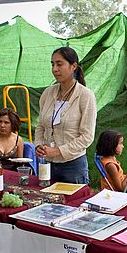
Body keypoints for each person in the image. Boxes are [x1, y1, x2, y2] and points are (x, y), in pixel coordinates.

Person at [35, 47, 97, 184]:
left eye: (59, 64)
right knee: (45, 202)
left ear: (73, 66)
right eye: (52, 64)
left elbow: (87, 136)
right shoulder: (47, 93)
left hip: (73, 166)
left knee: (73, 205)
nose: (54, 69)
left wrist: (58, 151)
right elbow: (40, 126)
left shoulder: (85, 96)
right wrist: (39, 145)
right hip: (47, 164)